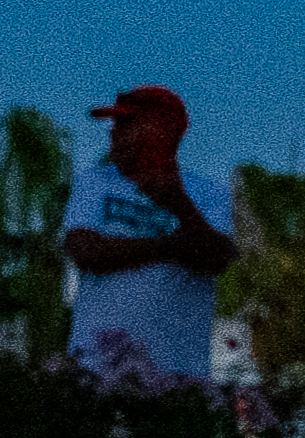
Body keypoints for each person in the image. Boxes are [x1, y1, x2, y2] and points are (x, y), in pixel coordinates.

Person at [59, 85, 231, 388]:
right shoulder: (95, 180)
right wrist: (170, 245)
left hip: (178, 376)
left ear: (161, 131)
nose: (114, 133)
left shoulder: (209, 194)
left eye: (126, 124)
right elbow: (86, 251)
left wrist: (181, 205)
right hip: (95, 370)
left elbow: (217, 257)